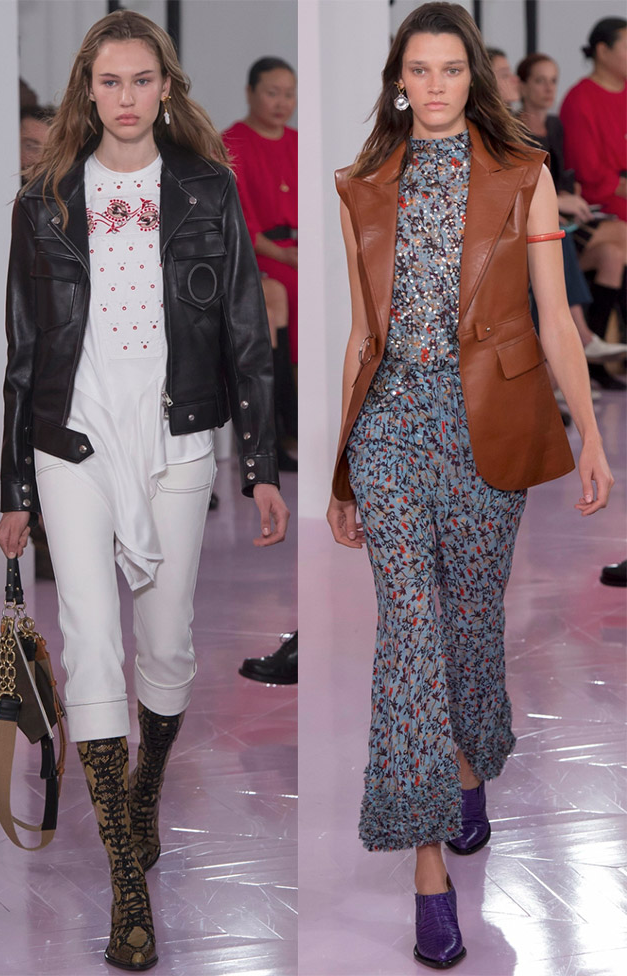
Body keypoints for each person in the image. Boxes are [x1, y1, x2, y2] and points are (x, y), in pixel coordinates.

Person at [0, 10, 289, 970]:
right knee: (90, 645)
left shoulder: (207, 187)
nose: (126, 97)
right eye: (110, 81)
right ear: (87, 90)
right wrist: (13, 486)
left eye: (142, 80)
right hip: (72, 442)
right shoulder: (43, 200)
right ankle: (128, 879)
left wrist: (261, 466)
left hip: (179, 436)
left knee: (165, 644)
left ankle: (145, 786)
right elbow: (22, 353)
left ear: (167, 88)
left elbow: (246, 333)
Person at [326, 3, 613, 969]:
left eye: (452, 68)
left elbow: (556, 319)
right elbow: (362, 335)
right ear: (399, 82)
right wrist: (341, 464)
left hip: (488, 418)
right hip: (391, 426)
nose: (437, 84)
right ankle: (427, 870)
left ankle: (465, 757)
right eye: (421, 69)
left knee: (472, 615)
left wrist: (592, 435)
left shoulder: (523, 174)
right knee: (410, 624)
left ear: (471, 79)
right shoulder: (364, 185)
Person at [516, 52, 627, 368]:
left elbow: (562, 176)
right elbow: (522, 184)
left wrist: (570, 193)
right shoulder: (513, 127)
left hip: (558, 218)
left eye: (553, 81)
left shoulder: (554, 125)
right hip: (539, 224)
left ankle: (593, 359)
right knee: (617, 234)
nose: (549, 88)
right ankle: (585, 341)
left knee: (613, 255)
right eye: (540, 81)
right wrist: (559, 199)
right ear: (523, 85)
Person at [222, 58, 298, 473]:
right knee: (283, 292)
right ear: (250, 93)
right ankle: (283, 423)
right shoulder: (231, 143)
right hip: (260, 255)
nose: (282, 102)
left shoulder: (300, 141)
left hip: (300, 252)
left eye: (289, 94)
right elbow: (238, 219)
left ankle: (301, 418)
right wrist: (283, 254)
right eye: (272, 92)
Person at [560, 17, 627, 347]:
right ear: (602, 50)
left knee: (617, 250)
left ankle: (598, 351)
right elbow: (588, 172)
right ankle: (594, 349)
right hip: (596, 208)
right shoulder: (580, 99)